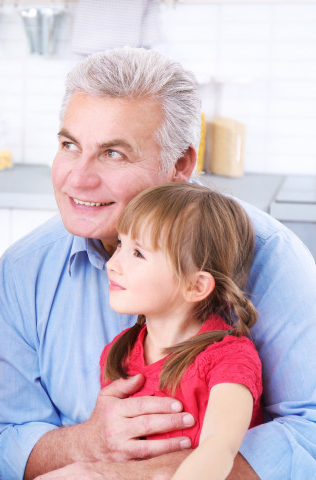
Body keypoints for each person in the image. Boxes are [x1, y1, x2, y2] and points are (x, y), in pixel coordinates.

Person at [0, 47, 316, 479]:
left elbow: (307, 433)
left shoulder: (271, 256)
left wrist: (132, 474)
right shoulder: (24, 269)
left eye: (113, 154)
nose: (78, 178)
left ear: (180, 164)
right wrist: (88, 442)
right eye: (70, 146)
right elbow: (6, 440)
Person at [102, 183, 262, 480]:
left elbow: (219, 447)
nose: (112, 264)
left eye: (137, 253)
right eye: (120, 245)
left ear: (195, 286)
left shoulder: (230, 360)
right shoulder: (118, 352)